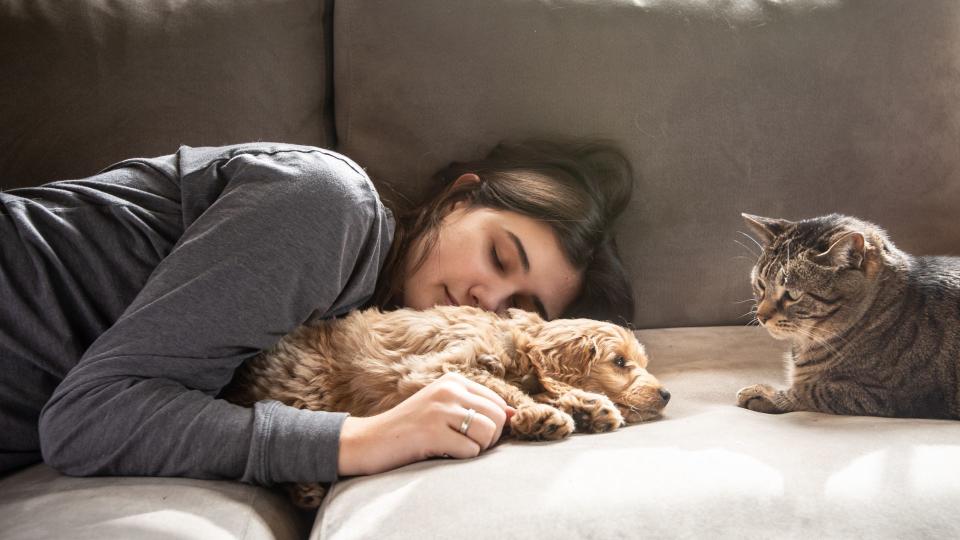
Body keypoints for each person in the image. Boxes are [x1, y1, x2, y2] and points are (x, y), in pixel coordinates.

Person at [0, 140, 635, 486]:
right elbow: (89, 418)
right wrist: (358, 442)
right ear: (458, 196)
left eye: (522, 307)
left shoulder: (358, 334)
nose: (488, 301)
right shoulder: (331, 206)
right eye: (499, 256)